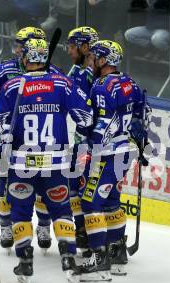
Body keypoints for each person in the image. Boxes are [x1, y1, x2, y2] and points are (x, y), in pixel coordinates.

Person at [0, 38, 94, 283]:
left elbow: (1, 130)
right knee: (62, 210)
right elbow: (85, 119)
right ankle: (69, 261)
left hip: (22, 164)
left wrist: (6, 136)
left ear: (25, 59)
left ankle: (26, 263)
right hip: (55, 164)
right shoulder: (63, 83)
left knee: (20, 212)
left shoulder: (11, 86)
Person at [0, 26, 62, 253]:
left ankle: (43, 225)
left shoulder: (54, 74)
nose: (18, 51)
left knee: (44, 188)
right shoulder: (5, 69)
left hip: (42, 141)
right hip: (8, 142)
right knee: (5, 187)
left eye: (22, 46)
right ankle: (6, 226)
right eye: (18, 46)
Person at [79, 40, 150, 281]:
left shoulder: (102, 86)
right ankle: (117, 253)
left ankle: (98, 260)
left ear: (103, 60)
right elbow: (143, 117)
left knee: (90, 202)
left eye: (94, 58)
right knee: (110, 201)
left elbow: (103, 124)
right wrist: (141, 142)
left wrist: (90, 141)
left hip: (107, 153)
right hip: (126, 151)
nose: (91, 62)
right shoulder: (131, 82)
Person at [65, 26, 99, 255]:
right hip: (88, 141)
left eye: (72, 46)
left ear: (85, 47)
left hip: (89, 143)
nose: (69, 51)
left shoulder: (87, 75)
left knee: (84, 190)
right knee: (80, 188)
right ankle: (86, 232)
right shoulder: (86, 70)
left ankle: (89, 234)